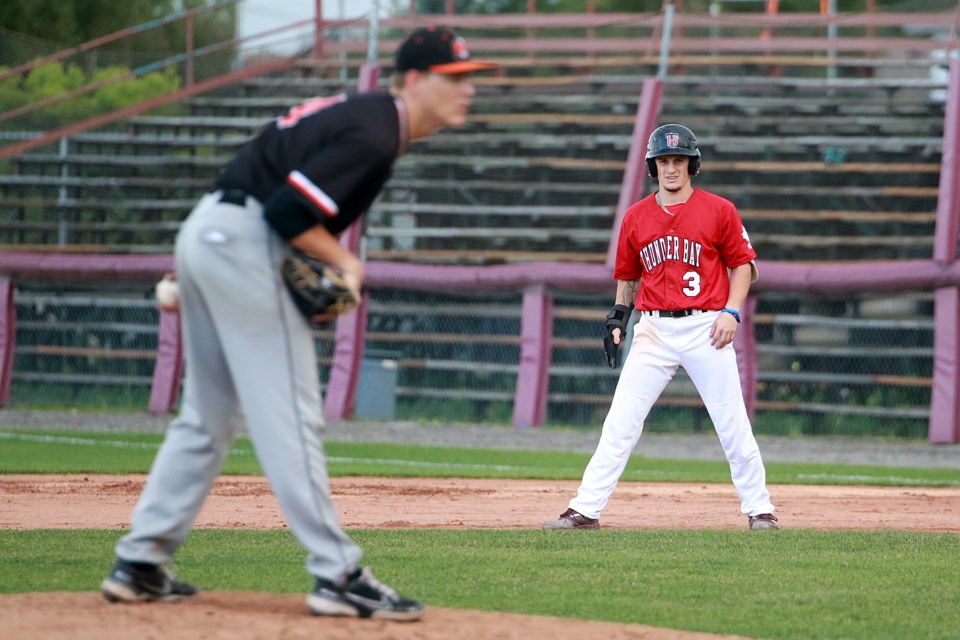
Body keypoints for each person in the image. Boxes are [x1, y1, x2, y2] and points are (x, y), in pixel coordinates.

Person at [100, 26, 497, 620]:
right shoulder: (375, 131)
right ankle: (337, 574)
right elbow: (288, 210)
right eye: (455, 78)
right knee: (290, 413)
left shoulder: (362, 117)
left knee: (206, 418)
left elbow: (258, 170)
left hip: (214, 228)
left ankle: (140, 563)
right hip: (247, 241)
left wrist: (199, 261)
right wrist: (345, 263)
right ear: (415, 80)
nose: (467, 91)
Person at [542, 124, 779, 532]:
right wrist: (618, 318)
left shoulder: (720, 209)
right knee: (620, 422)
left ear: (692, 165)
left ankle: (760, 509)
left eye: (679, 160)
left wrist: (731, 312)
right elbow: (629, 276)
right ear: (654, 166)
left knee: (731, 423)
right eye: (664, 161)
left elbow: (743, 265)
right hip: (652, 329)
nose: (671, 168)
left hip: (707, 326)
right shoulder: (636, 216)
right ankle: (585, 509)